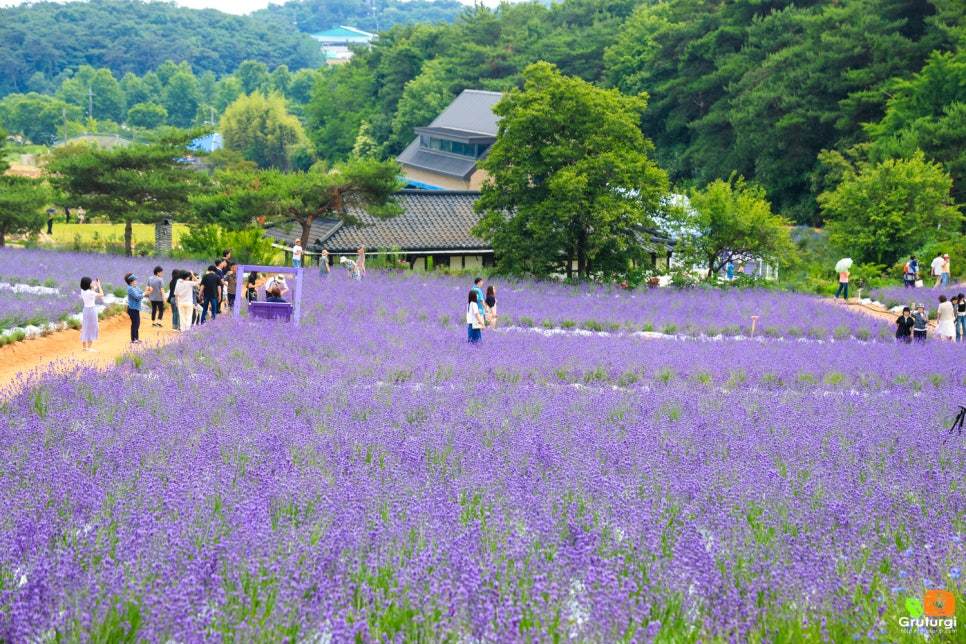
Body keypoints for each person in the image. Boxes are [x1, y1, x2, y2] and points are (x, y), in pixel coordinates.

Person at [125, 273, 151, 344]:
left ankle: (136, 338)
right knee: (135, 324)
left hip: (136, 309)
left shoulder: (136, 287)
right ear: (131, 281)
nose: (136, 280)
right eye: (134, 279)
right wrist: (145, 293)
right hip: (132, 309)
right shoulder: (130, 288)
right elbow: (137, 297)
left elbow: (142, 293)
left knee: (137, 323)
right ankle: (133, 339)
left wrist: (148, 291)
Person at [79, 277, 104, 351]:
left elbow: (92, 291)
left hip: (85, 310)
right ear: (88, 284)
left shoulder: (83, 291)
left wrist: (94, 285)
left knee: (85, 327)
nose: (91, 283)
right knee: (92, 327)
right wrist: (99, 285)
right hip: (92, 310)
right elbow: (102, 294)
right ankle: (89, 348)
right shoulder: (89, 292)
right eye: (90, 282)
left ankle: (84, 347)